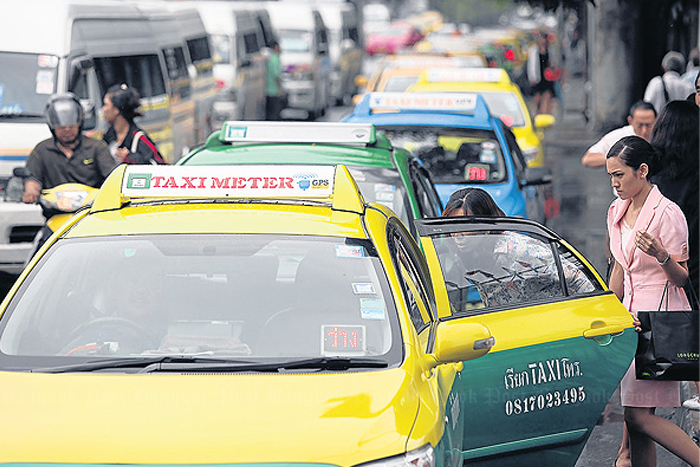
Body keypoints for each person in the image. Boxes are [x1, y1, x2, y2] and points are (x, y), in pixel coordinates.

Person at [606, 135, 699, 467]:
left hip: (659, 323)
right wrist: (608, 312)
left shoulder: (667, 213)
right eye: (611, 176)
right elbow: (619, 267)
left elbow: (682, 278)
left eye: (620, 175)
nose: (615, 183)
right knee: (637, 421)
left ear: (642, 171)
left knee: (639, 418)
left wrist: (661, 255)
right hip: (630, 321)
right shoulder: (617, 210)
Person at [649, 100, 700, 412]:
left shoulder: (652, 177)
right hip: (696, 266)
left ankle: (626, 452)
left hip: (661, 273)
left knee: (650, 373)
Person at [23, 93, 116, 206]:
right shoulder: (42, 150)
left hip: (90, 212)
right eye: (62, 128)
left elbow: (112, 176)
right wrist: (31, 190)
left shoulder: (96, 147)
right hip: (54, 214)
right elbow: (33, 177)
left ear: (79, 123)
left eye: (71, 127)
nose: (67, 131)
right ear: (52, 126)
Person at [102, 83, 165, 165]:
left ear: (116, 110)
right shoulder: (108, 137)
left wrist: (130, 158)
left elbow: (160, 165)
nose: (103, 109)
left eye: (106, 105)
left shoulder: (139, 138)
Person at [581, 101, 657, 169]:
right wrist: (619, 159)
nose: (644, 130)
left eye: (648, 125)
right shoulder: (620, 135)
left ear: (656, 121)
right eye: (639, 125)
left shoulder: (663, 135)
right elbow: (588, 159)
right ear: (630, 121)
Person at [527, 33, 558, 115]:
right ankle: (537, 113)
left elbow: (552, 62)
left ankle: (545, 113)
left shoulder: (550, 50)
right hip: (538, 76)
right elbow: (531, 65)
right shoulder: (534, 51)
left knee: (547, 95)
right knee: (538, 96)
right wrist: (532, 76)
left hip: (547, 77)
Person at [265, 41, 285, 121]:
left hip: (267, 90)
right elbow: (277, 76)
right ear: (276, 47)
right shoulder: (275, 58)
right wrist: (280, 90)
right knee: (275, 114)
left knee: (269, 114)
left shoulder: (269, 59)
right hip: (274, 91)